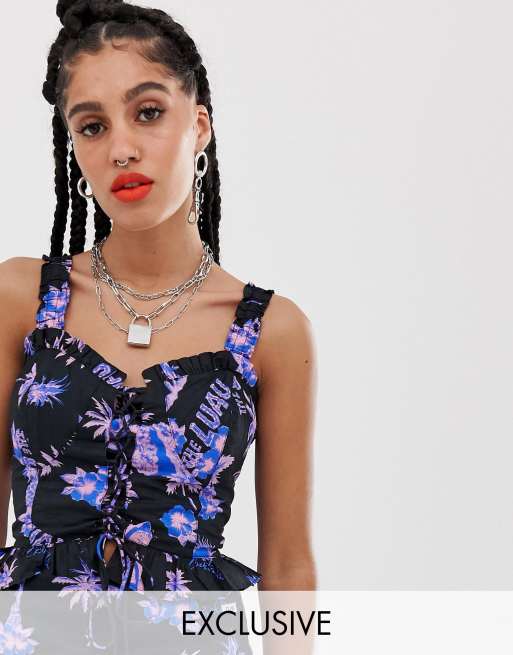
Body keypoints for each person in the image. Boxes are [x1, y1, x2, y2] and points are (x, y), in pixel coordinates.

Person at [0, 0, 316, 593]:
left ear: (199, 126)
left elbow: (289, 565)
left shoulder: (271, 331)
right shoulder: (21, 299)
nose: (121, 148)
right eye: (92, 126)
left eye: (147, 113)